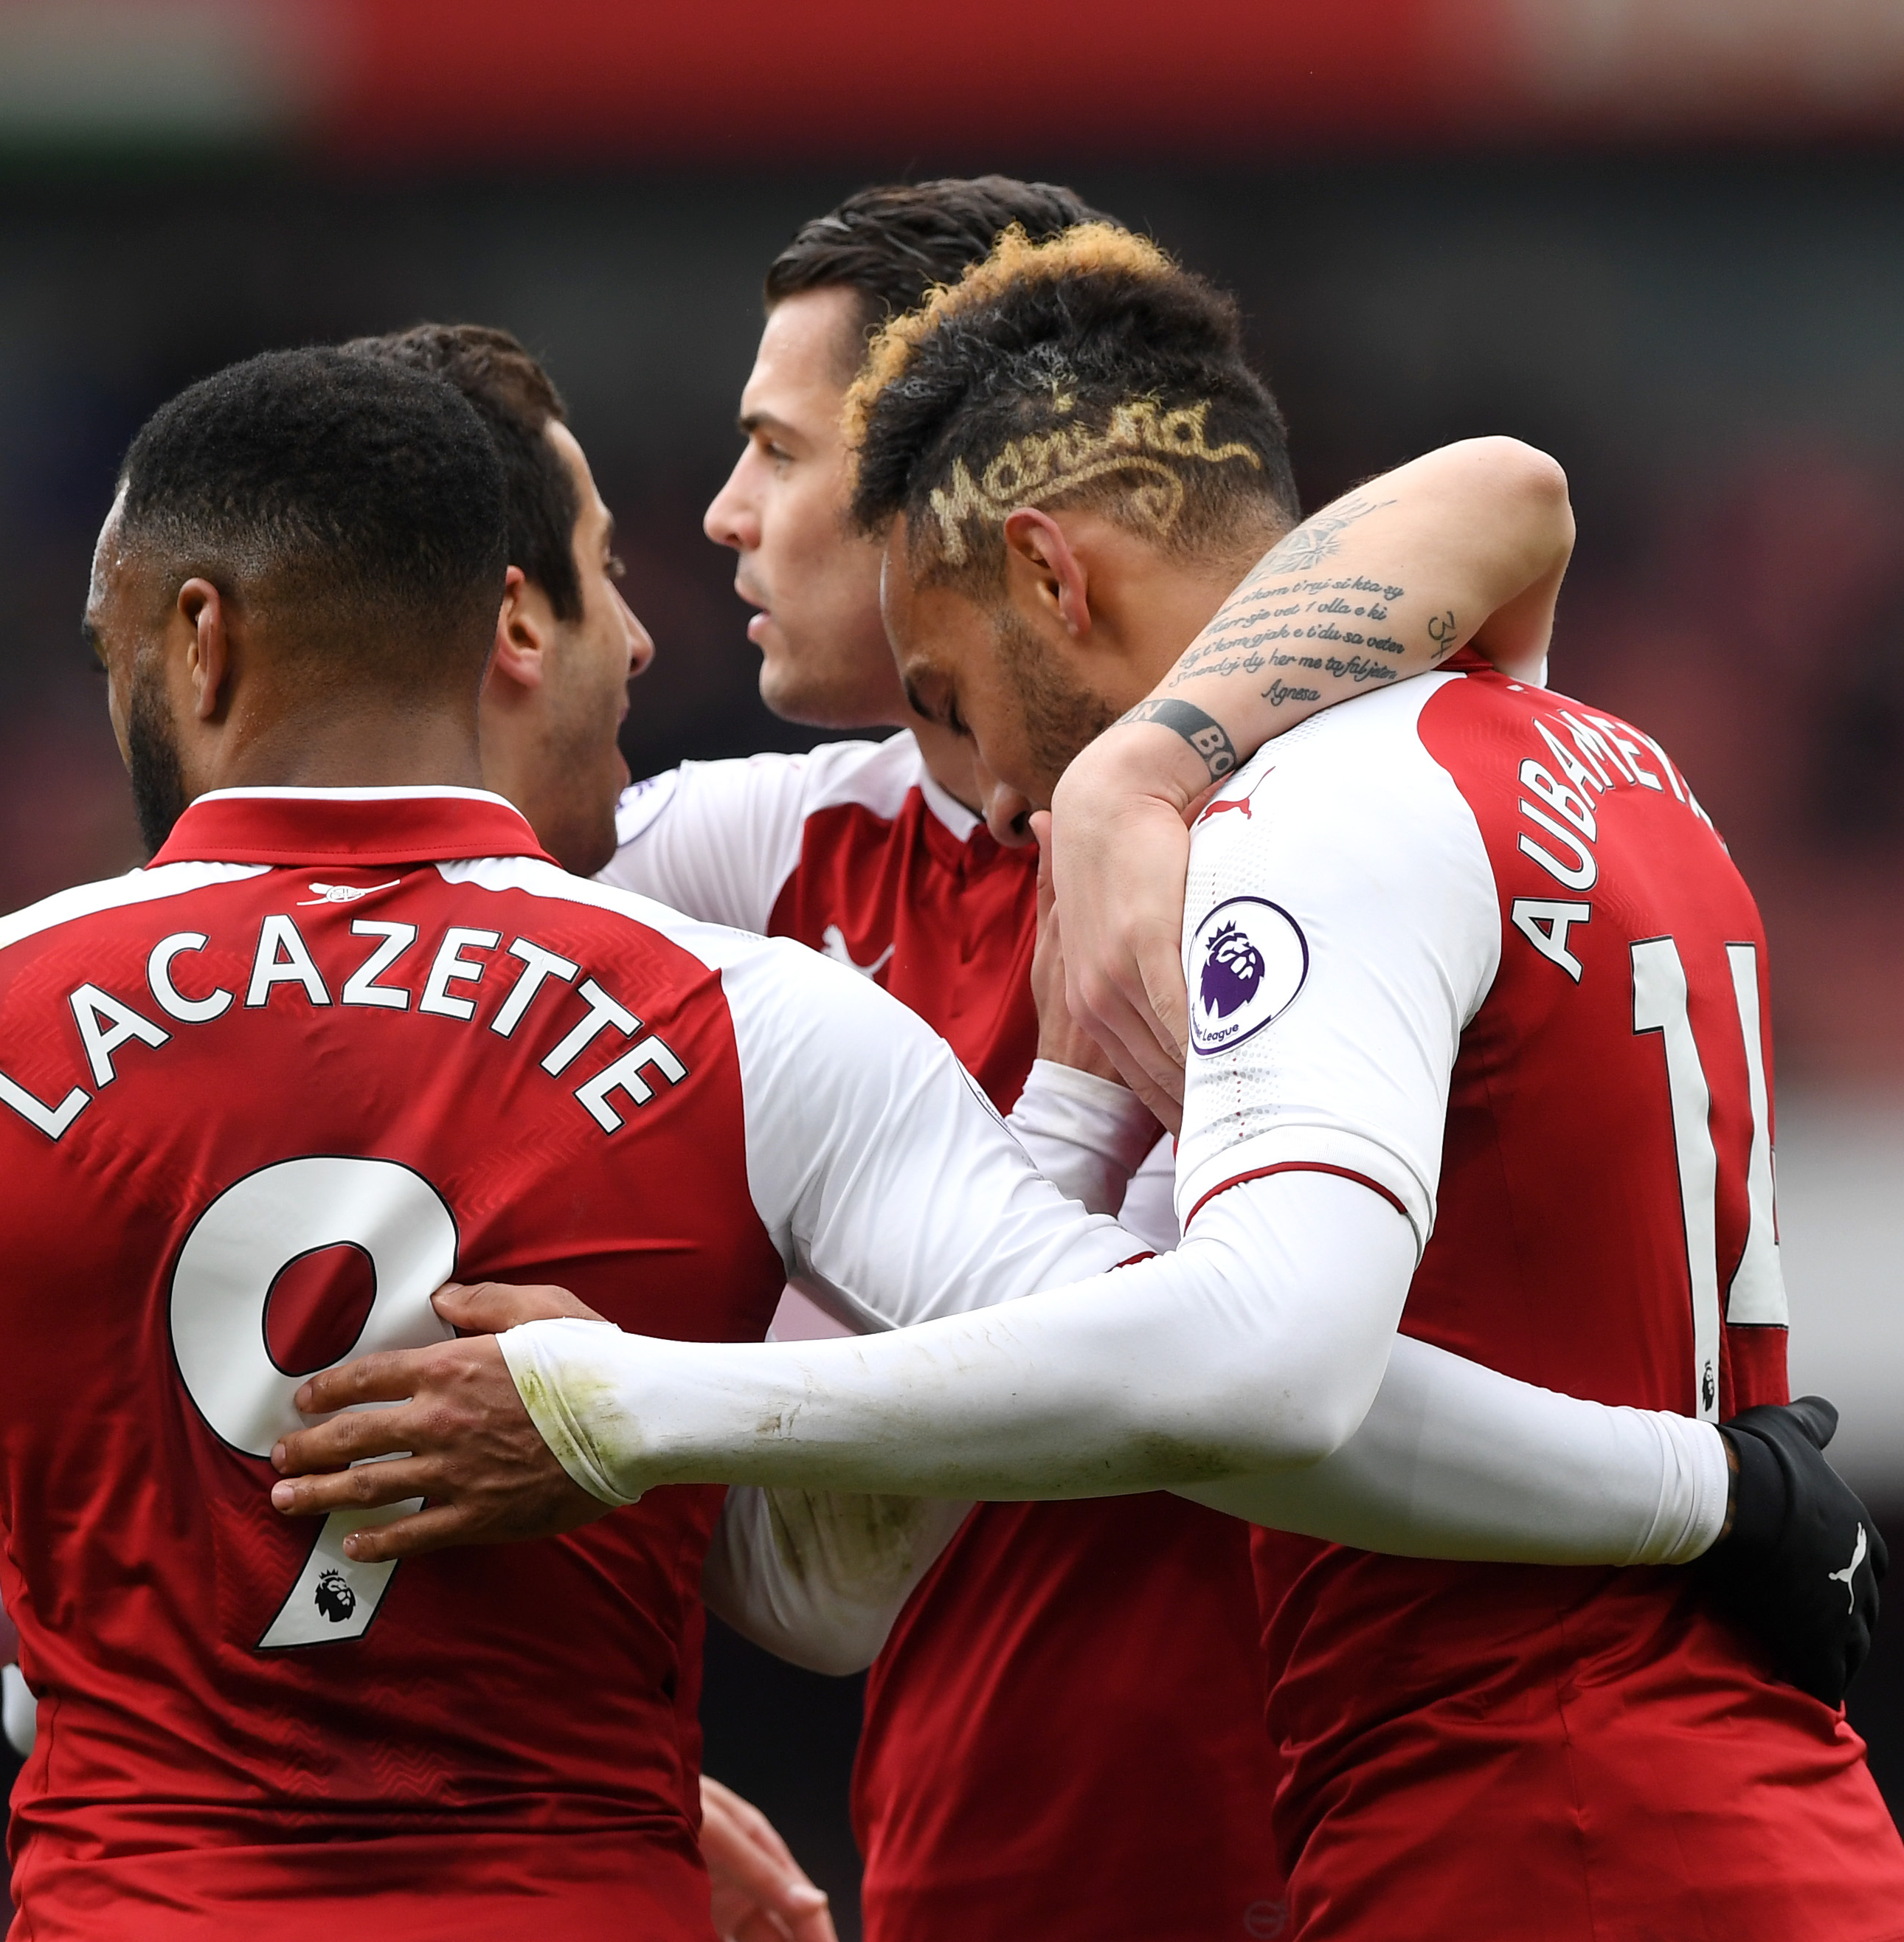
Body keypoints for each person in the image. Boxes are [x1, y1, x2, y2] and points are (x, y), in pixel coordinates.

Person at [0, 345, 1837, 1938]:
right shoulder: (745, 1009)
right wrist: (1699, 1488)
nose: (668, 609)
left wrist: (98, 1557)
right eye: (624, 555)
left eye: (762, 466)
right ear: (499, 624)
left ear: (196, 636)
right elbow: (1224, 1383)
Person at [269, 227, 1904, 1940]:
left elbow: (1262, 1368)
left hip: (1524, 1824)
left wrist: (623, 1403)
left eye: (783, 453)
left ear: (1044, 568)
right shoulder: (1593, 756)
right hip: (1664, 1790)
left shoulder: (1278, 822)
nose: (988, 781)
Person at [602, 177, 1271, 1938]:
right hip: (970, 1866)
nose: (726, 517)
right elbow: (297, 995)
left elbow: (1501, 500)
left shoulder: (1313, 829)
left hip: (1355, 1852)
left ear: (951, 482)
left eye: (778, 451)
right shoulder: (754, 856)